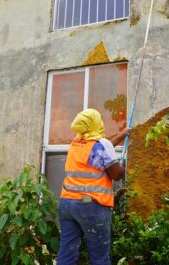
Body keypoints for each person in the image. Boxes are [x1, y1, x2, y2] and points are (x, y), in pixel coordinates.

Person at [57, 109, 128, 265]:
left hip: (67, 204)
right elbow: (116, 174)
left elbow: (101, 150)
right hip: (90, 205)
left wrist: (122, 135)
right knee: (99, 258)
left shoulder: (76, 143)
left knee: (67, 255)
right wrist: (121, 165)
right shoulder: (100, 146)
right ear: (96, 123)